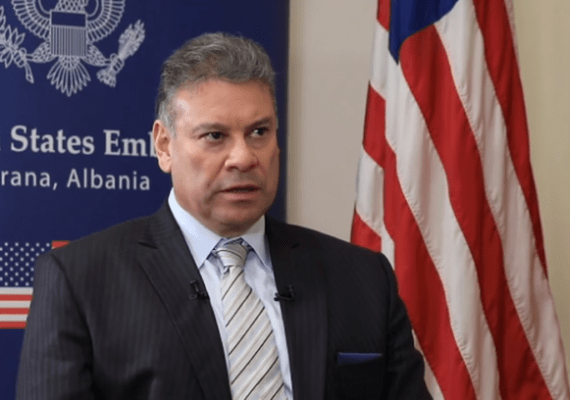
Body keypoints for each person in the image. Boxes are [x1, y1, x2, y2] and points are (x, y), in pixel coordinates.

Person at [16, 32, 431, 399]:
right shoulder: (80, 281)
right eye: (215, 136)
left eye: (259, 132)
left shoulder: (364, 277)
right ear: (164, 145)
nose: (244, 157)